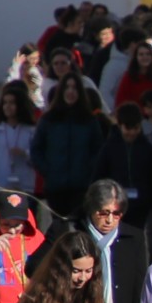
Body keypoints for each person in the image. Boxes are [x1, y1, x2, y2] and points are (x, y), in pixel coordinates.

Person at [31, 75, 108, 224]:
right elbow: (36, 149)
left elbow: (98, 150)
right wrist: (48, 171)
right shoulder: (48, 119)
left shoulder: (89, 120)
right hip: (55, 186)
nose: (70, 91)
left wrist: (88, 170)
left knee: (80, 227)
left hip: (81, 186)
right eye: (67, 87)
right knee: (58, 227)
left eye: (74, 88)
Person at [96, 104, 152, 233]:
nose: (131, 133)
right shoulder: (109, 148)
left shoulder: (147, 148)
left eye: (135, 128)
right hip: (115, 204)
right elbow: (99, 176)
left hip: (141, 204)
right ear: (120, 125)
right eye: (128, 128)